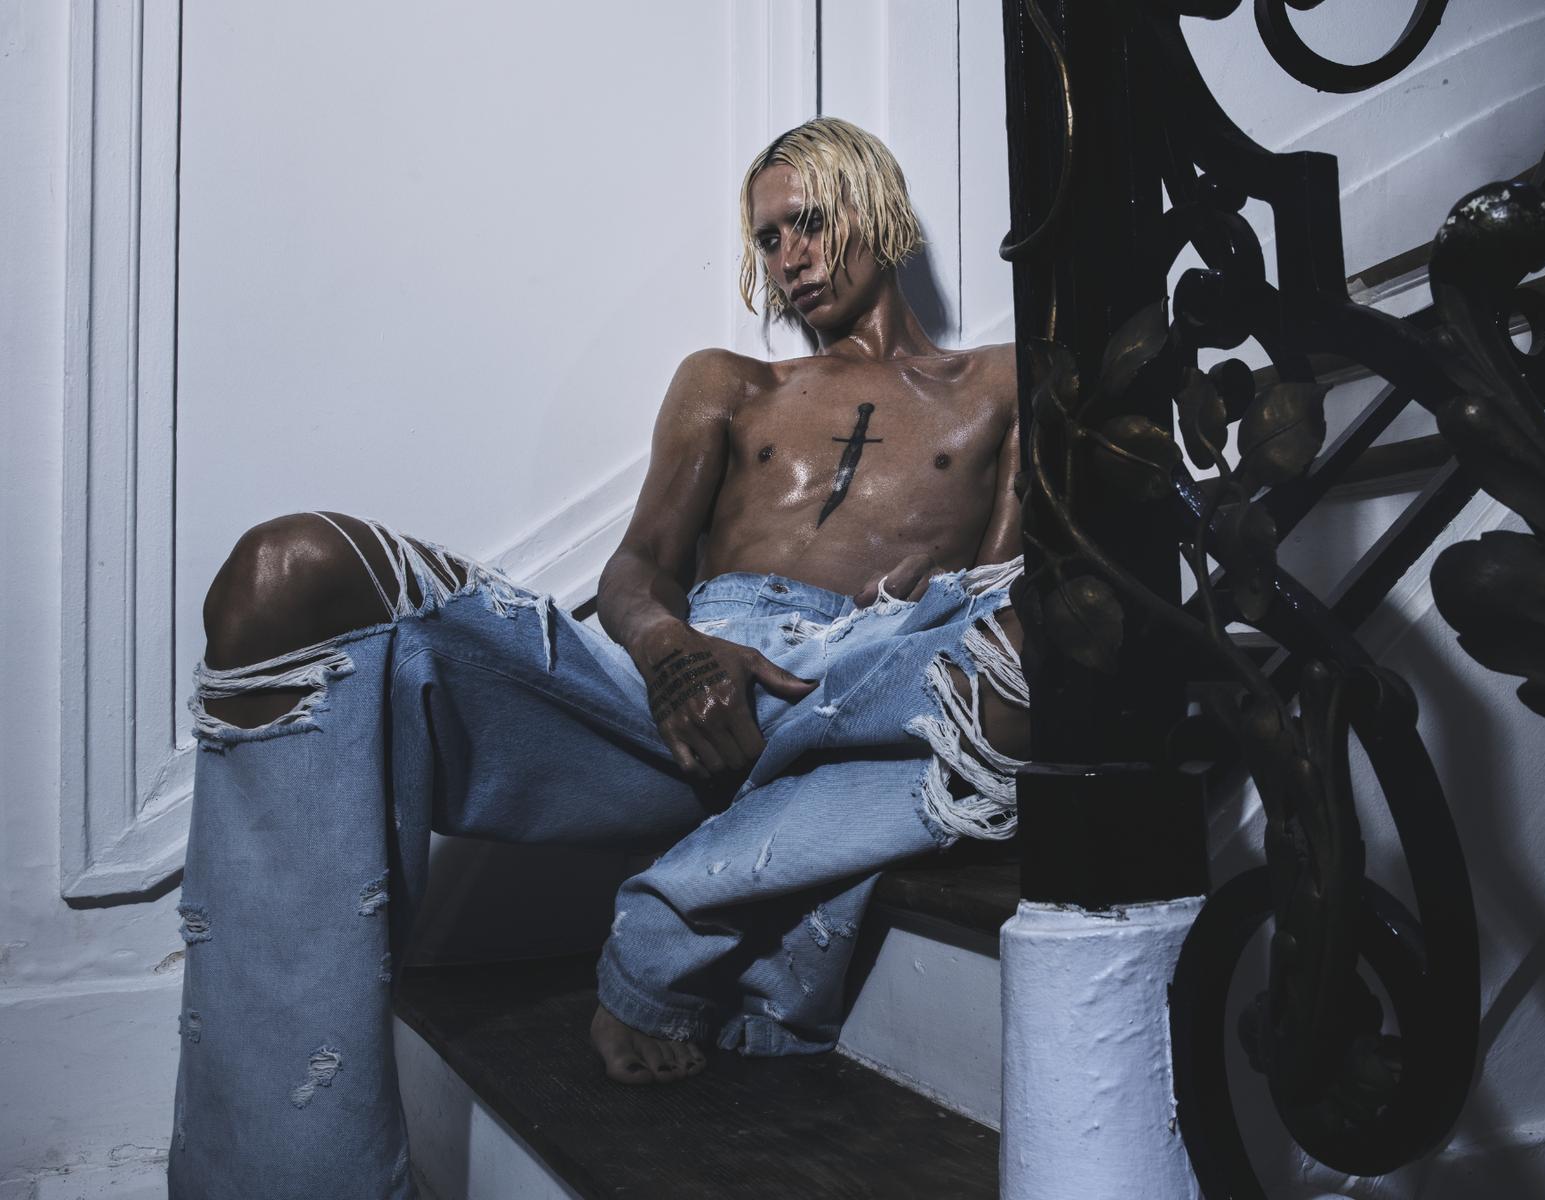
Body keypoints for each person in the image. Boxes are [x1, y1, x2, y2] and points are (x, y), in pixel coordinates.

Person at [169, 117, 1026, 1199]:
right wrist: (671, 650)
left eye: (809, 223)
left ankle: (664, 928)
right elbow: (638, 567)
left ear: (878, 207)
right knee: (284, 575)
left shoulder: (1003, 384)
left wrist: (909, 636)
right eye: (768, 239)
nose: (789, 257)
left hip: (865, 678)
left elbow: (992, 608)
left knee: (1027, 671)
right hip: (679, 681)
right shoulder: (731, 383)